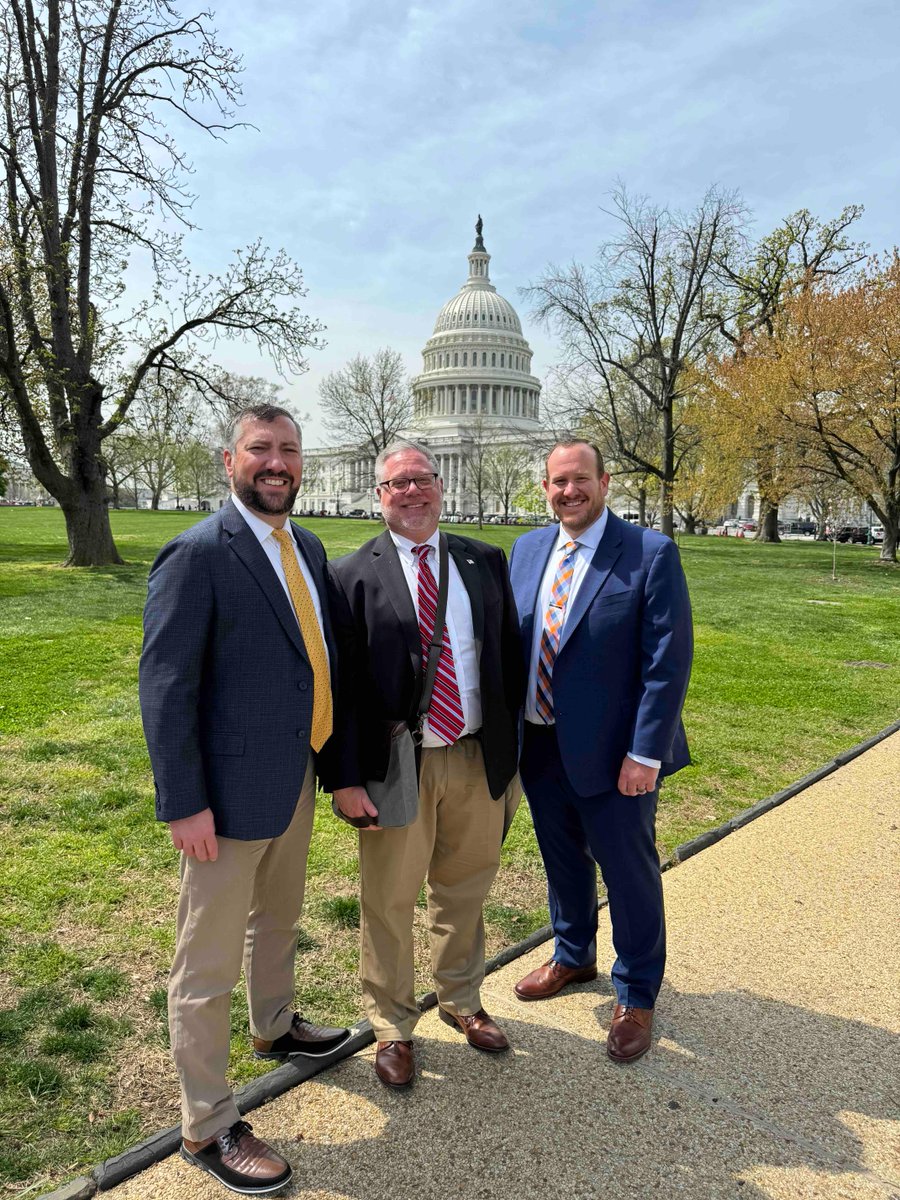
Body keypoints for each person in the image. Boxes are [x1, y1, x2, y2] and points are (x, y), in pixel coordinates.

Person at [139, 404, 350, 1195]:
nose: (277, 462)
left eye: (289, 450)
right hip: (222, 800)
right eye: (260, 449)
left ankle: (274, 1028)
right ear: (230, 459)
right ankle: (207, 1123)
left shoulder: (308, 545)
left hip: (292, 775)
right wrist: (184, 802)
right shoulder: (196, 554)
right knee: (207, 962)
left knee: (279, 919)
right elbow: (165, 689)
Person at [323, 440, 522, 1089]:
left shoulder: (484, 561)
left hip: (473, 755)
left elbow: (509, 662)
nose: (411, 492)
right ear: (379, 497)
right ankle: (392, 1026)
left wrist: (512, 755)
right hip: (396, 761)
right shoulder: (353, 572)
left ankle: (462, 998)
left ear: (439, 486)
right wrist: (345, 777)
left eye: (420, 479)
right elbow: (342, 687)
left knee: (465, 887)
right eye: (396, 484)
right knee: (388, 897)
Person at [510, 440, 693, 1063]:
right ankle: (573, 955)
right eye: (558, 482)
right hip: (539, 742)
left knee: (627, 870)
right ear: (546, 487)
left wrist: (646, 753)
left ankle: (636, 990)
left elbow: (667, 665)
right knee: (561, 859)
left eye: (580, 479)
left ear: (604, 482)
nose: (570, 491)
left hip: (619, 756)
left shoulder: (648, 554)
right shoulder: (529, 549)